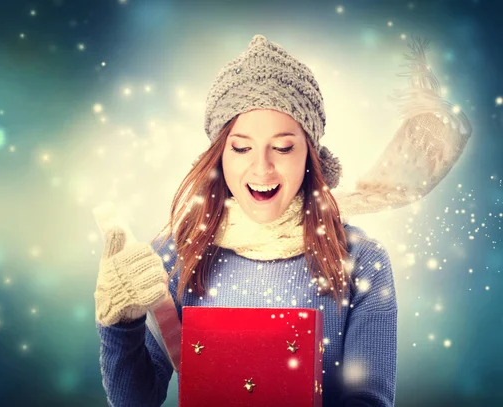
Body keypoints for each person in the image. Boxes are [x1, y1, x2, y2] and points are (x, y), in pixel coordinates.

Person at [94, 34, 468, 407]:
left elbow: (369, 398)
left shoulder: (362, 260)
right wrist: (121, 325)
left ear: (311, 155)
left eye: (284, 147)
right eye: (241, 148)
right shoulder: (178, 254)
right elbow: (136, 401)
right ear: (219, 156)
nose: (262, 167)